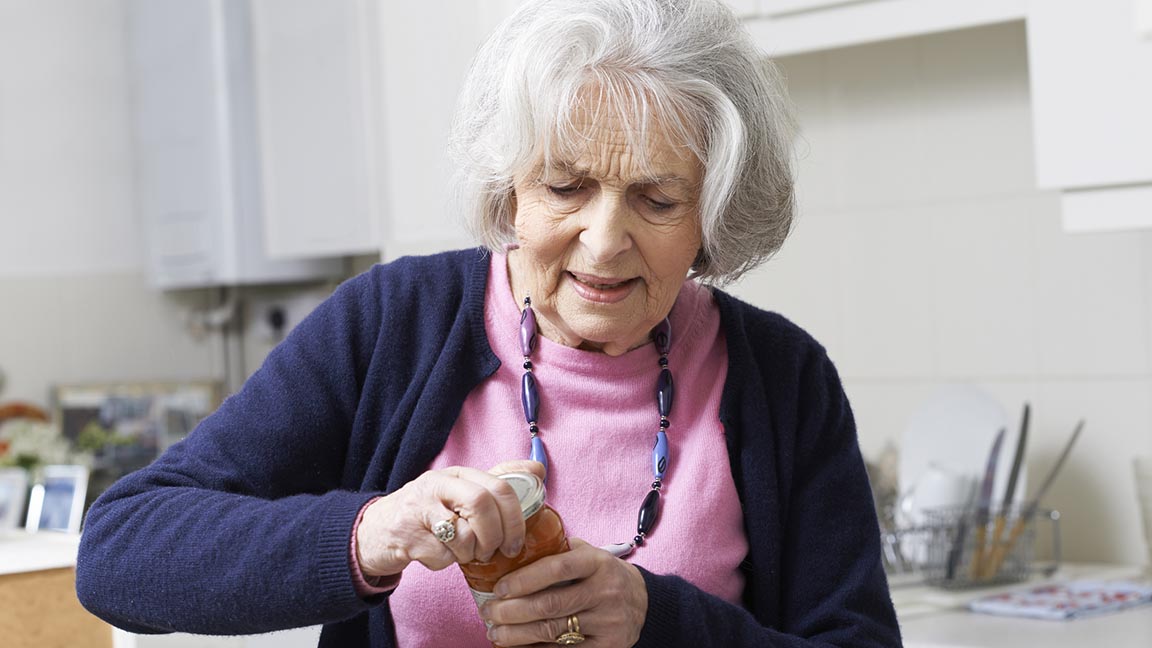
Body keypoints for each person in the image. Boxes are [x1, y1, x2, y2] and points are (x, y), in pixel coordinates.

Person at [76, 0, 901, 646]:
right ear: (510, 191)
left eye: (657, 198)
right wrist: (377, 531)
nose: (605, 240)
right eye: (566, 187)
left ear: (712, 219)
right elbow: (122, 551)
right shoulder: (395, 325)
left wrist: (658, 621)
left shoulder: (782, 380)